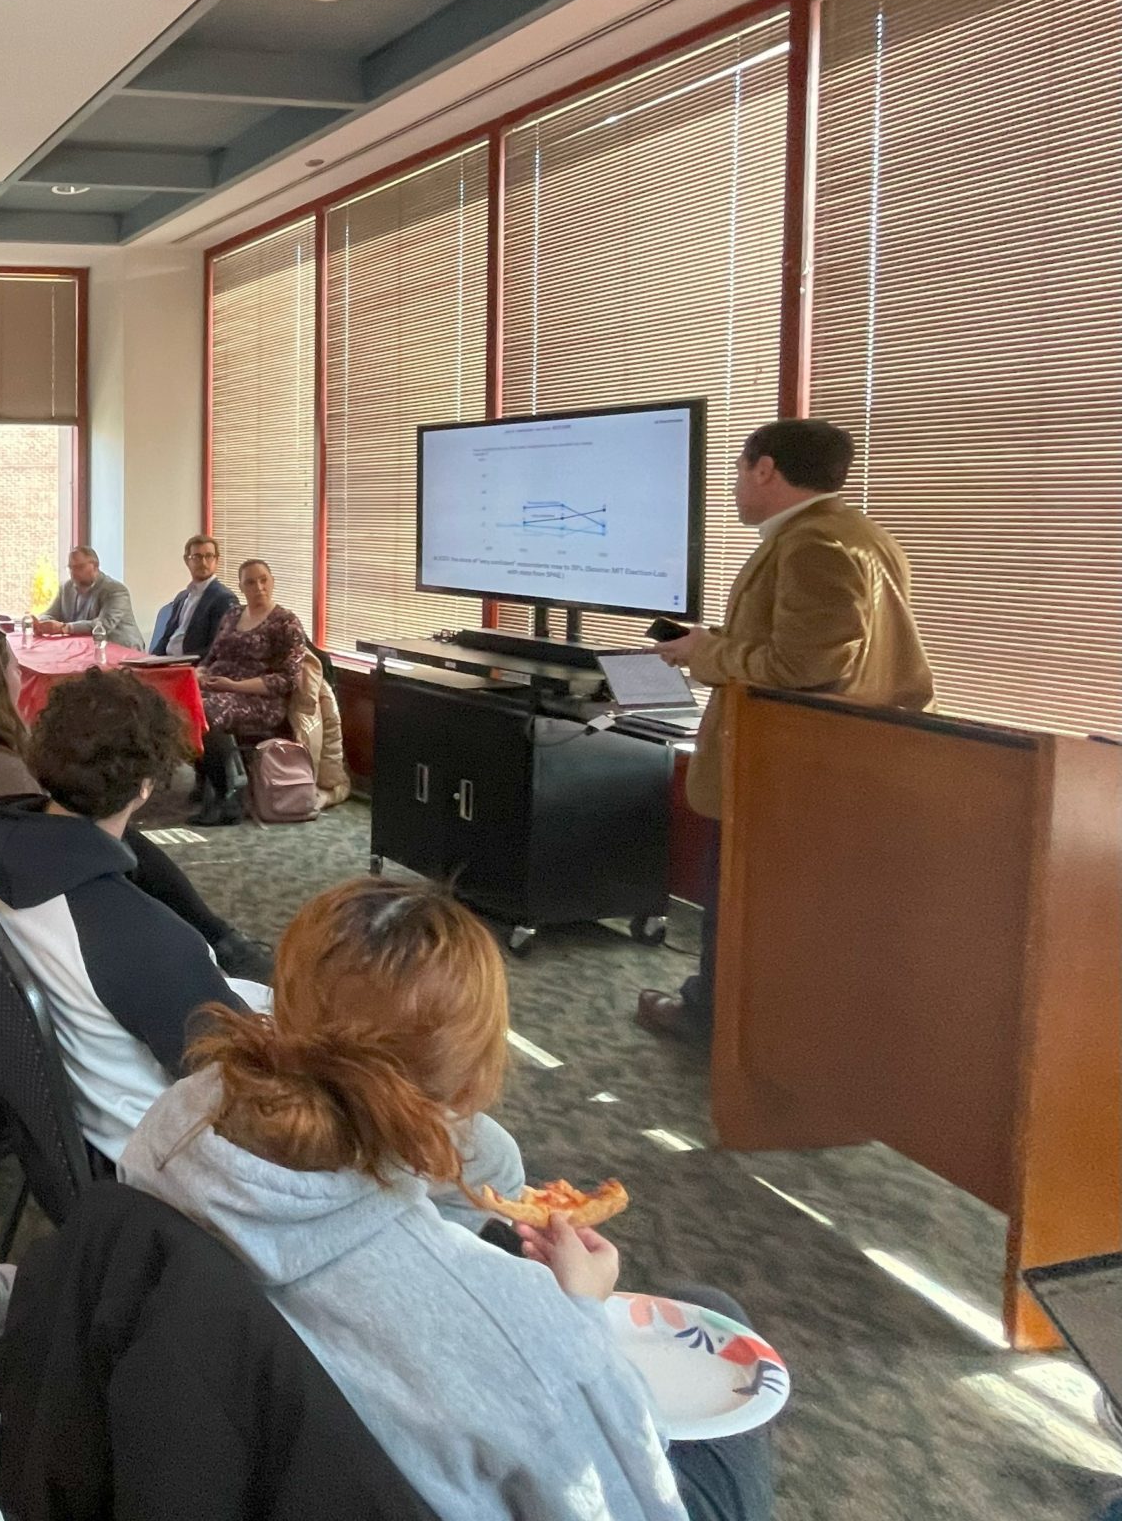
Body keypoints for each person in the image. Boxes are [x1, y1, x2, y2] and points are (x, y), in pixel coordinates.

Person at [122, 878, 767, 1521]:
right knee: (715, 1310)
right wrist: (579, 1317)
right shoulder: (531, 1342)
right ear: (469, 1089)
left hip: (235, 1462)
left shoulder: (173, 1126)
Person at [641, 417, 933, 1040]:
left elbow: (804, 667)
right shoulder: (852, 532)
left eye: (740, 472)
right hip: (822, 766)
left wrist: (705, 654)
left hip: (786, 769)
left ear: (766, 469)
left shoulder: (815, 543)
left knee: (747, 907)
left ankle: (715, 1024)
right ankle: (738, 1023)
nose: (736, 487)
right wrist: (714, 643)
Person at [0, 622, 269, 977]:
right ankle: (215, 939)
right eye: (13, 667)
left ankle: (215, 935)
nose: (18, 675)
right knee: (116, 839)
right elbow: (55, 853)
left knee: (116, 836)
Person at [0, 670, 254, 1164]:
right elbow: (249, 1095)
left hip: (70, 1133)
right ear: (146, 786)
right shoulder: (148, 942)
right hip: (161, 1159)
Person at [190, 559, 311, 826]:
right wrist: (199, 674)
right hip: (218, 688)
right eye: (250, 582)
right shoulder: (232, 614)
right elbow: (211, 657)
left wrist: (233, 686)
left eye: (264, 580)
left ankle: (228, 795)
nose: (258, 587)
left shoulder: (285, 622)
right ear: (241, 586)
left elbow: (286, 680)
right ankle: (209, 782)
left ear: (272, 581)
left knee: (207, 712)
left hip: (259, 699)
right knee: (179, 706)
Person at [147, 534, 240, 662]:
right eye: (197, 557)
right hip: (167, 663)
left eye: (209, 556)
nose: (203, 562)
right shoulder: (182, 597)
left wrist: (180, 662)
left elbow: (217, 647)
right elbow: (166, 638)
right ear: (187, 561)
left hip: (191, 666)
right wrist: (151, 660)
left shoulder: (223, 599)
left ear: (217, 560)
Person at [34, 546, 144, 648]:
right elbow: (50, 614)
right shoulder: (66, 588)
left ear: (95, 566)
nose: (74, 573)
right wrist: (42, 624)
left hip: (121, 649)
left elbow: (103, 625)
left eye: (80, 567)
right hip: (83, 648)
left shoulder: (115, 590)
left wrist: (65, 628)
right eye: (71, 568)